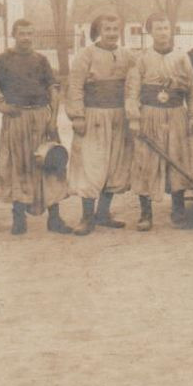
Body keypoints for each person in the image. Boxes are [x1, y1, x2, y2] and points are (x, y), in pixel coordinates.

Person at [0, 19, 73, 235]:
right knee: (17, 166)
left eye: (30, 33)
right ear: (14, 35)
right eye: (22, 33)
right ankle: (18, 218)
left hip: (42, 117)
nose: (26, 38)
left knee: (50, 164)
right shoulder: (2, 60)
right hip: (16, 118)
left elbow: (54, 89)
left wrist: (53, 119)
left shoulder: (41, 60)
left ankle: (54, 219)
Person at [126, 15, 193, 231]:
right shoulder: (141, 58)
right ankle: (145, 213)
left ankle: (178, 210)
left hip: (177, 114)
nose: (162, 32)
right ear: (150, 32)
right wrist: (134, 118)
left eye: (165, 28)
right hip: (150, 114)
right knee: (146, 161)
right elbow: (132, 91)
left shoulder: (182, 58)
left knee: (178, 160)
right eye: (157, 28)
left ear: (171, 31)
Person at [65, 14, 135, 234]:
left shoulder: (127, 56)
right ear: (98, 31)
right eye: (108, 29)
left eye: (116, 29)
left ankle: (103, 213)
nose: (112, 33)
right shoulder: (85, 55)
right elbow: (75, 86)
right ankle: (87, 217)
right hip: (93, 116)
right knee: (92, 164)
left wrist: (132, 113)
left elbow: (134, 84)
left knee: (114, 165)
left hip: (119, 117)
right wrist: (77, 116)